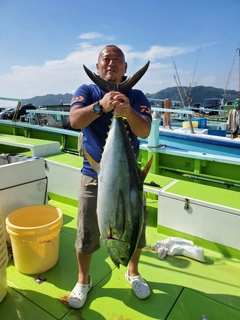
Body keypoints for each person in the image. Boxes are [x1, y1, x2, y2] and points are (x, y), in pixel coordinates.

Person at [68, 45, 152, 309]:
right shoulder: (87, 91)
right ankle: (83, 280)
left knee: (136, 229)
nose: (112, 63)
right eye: (106, 59)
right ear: (98, 66)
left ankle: (133, 272)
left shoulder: (136, 96)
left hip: (129, 178)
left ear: (126, 68)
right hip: (93, 176)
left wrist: (127, 113)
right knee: (86, 231)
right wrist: (100, 106)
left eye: (118, 60)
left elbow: (145, 131)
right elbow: (74, 120)